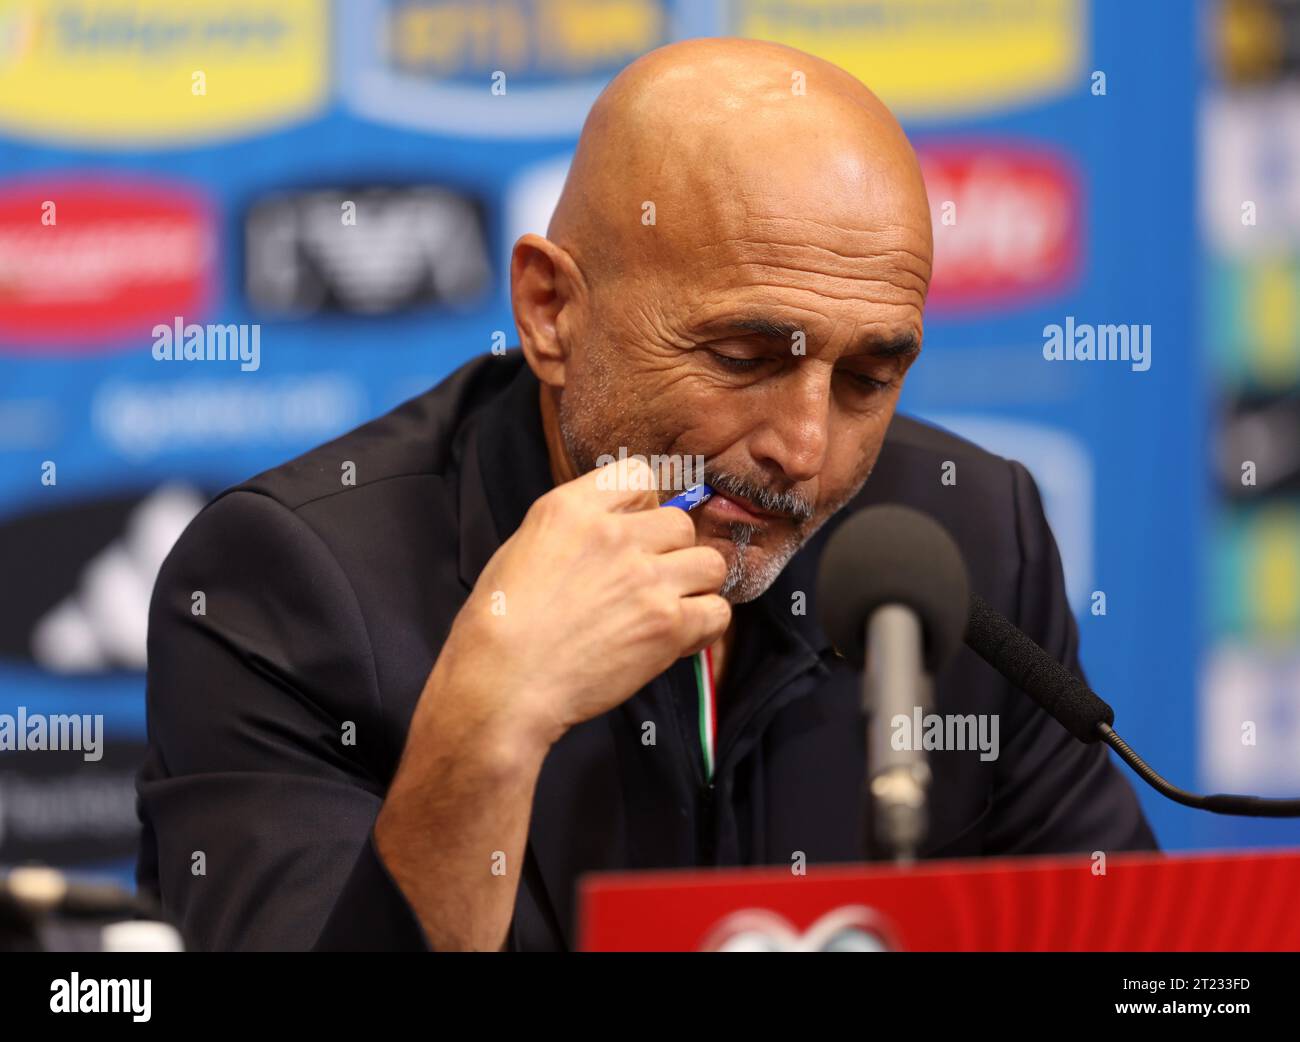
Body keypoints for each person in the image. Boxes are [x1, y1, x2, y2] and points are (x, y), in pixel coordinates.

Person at [136, 37, 1157, 952]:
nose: (803, 448)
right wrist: (486, 731)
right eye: (745, 356)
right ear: (550, 310)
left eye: (867, 379)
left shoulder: (968, 539)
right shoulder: (291, 585)